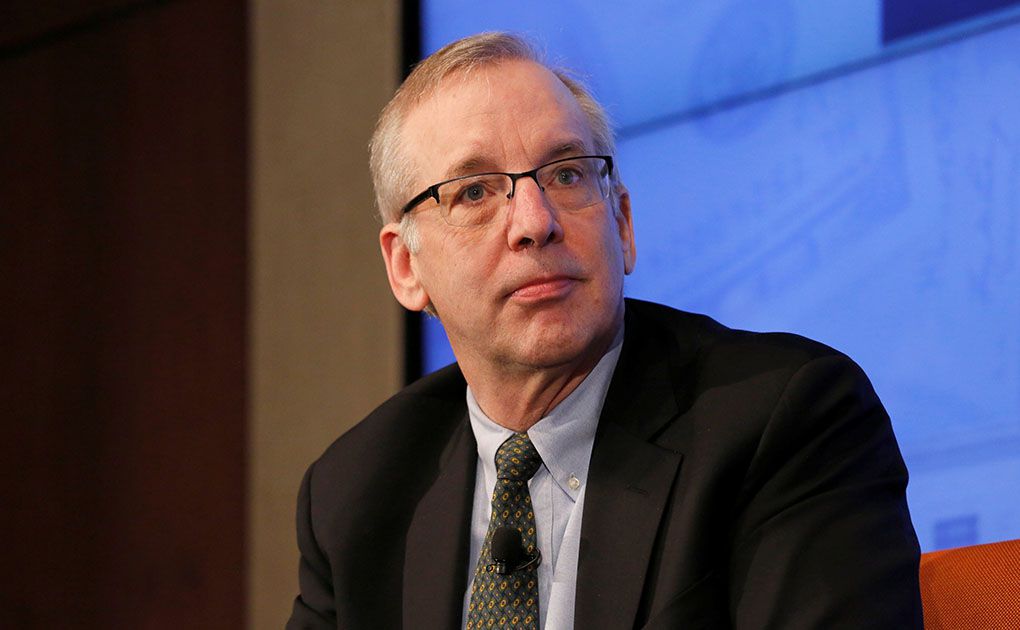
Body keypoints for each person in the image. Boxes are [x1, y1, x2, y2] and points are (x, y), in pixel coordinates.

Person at [287, 32, 923, 629]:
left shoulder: (784, 419)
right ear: (406, 266)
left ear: (621, 223)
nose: (534, 222)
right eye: (476, 192)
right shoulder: (355, 494)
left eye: (566, 175)